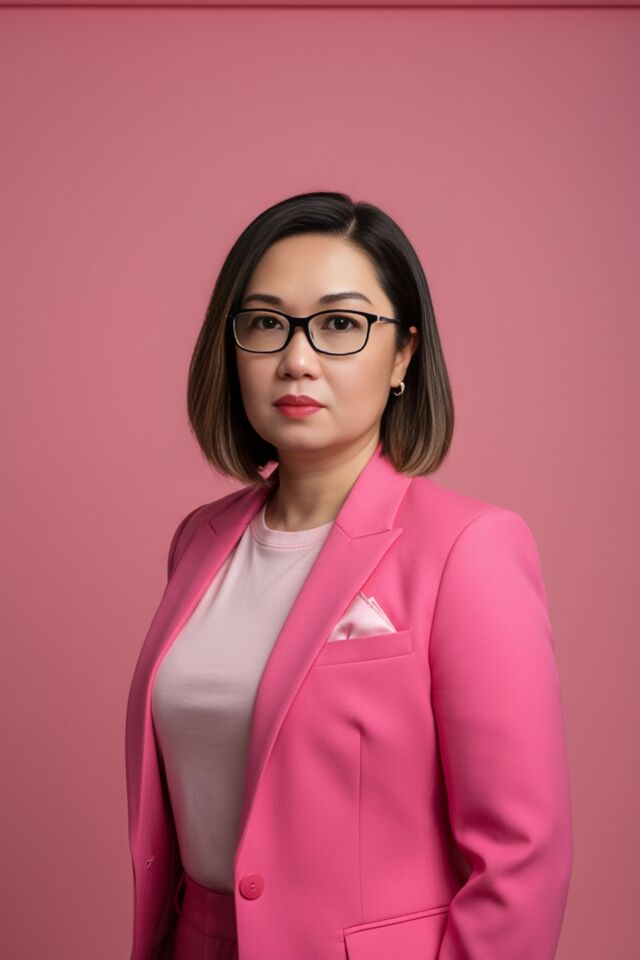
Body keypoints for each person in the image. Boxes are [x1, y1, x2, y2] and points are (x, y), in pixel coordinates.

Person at [125, 191, 573, 960]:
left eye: (339, 324)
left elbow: (522, 855)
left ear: (402, 354)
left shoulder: (469, 549)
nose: (296, 359)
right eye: (266, 323)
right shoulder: (198, 542)